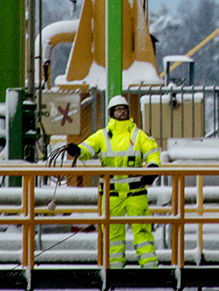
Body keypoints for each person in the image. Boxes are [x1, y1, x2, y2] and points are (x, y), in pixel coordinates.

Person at [65, 95, 161, 268]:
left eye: (124, 109)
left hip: (135, 191)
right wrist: (76, 150)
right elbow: (88, 147)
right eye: (118, 109)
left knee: (142, 229)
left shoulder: (138, 135)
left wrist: (153, 168)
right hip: (112, 193)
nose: (121, 112)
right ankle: (115, 265)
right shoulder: (103, 135)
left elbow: (152, 152)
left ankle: (149, 264)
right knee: (112, 231)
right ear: (111, 113)